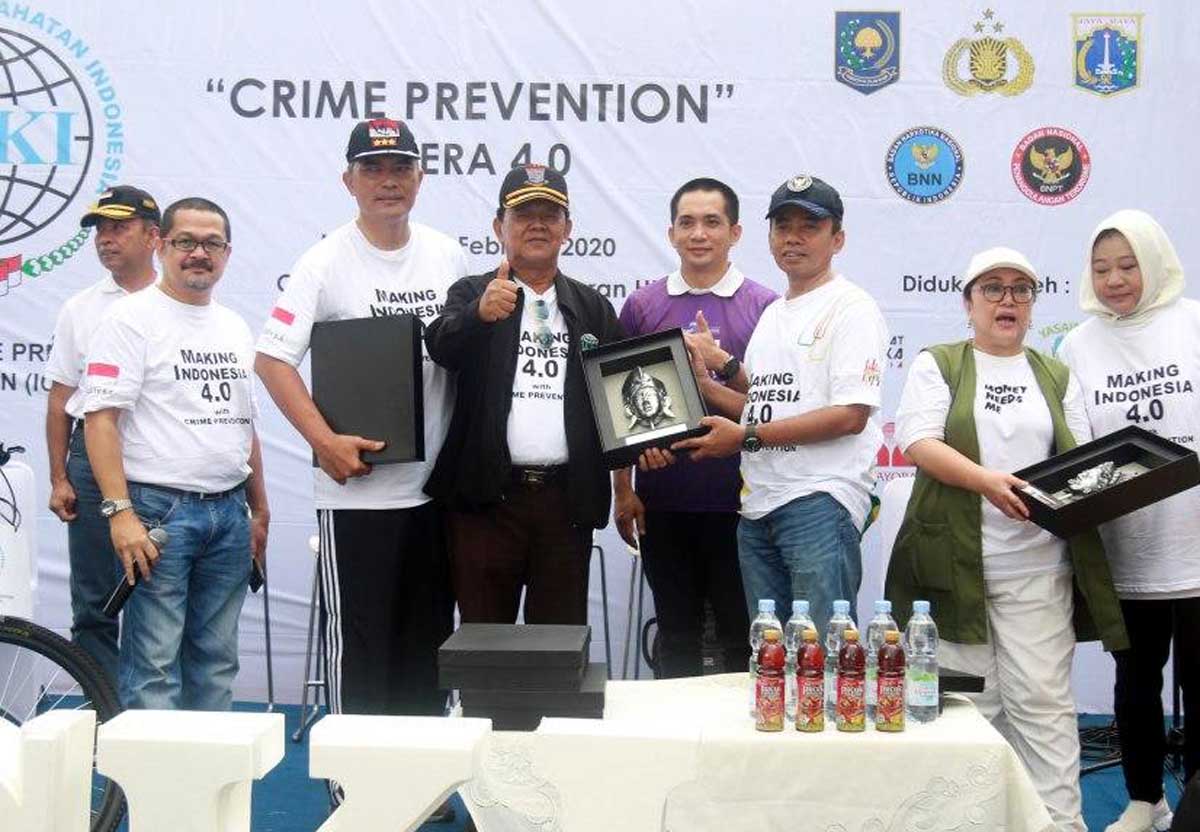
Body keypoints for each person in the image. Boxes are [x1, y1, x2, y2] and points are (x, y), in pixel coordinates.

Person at [885, 246, 1127, 832]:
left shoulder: (1054, 373)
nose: (1007, 299)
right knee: (969, 708)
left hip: (1038, 570)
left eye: (1021, 289)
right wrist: (987, 482)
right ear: (968, 303)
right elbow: (919, 441)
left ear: (1033, 305)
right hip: (951, 574)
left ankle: (1060, 825)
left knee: (1045, 708)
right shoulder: (939, 364)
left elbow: (1079, 459)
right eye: (992, 288)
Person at [255, 119, 466, 732]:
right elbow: (271, 360)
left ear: (420, 179)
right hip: (359, 498)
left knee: (428, 650)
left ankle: (422, 777)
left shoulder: (447, 254)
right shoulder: (323, 262)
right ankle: (353, 780)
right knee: (363, 656)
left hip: (435, 496)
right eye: (372, 169)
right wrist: (324, 442)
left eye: (401, 168)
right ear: (348, 181)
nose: (387, 181)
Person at [671, 175, 886, 639]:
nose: (793, 237)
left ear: (838, 239)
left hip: (818, 502)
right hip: (758, 507)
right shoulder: (774, 313)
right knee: (772, 660)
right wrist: (709, 379)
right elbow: (763, 403)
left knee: (821, 656)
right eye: (783, 226)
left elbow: (851, 415)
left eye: (810, 226)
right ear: (768, 237)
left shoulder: (852, 307)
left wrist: (745, 438)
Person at [82, 197, 269, 711]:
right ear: (161, 245)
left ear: (227, 253)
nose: (198, 253)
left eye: (212, 243)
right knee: (154, 665)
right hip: (158, 515)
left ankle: (209, 766)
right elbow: (100, 420)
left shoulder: (233, 325)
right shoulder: (129, 319)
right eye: (186, 241)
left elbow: (244, 424)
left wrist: (259, 509)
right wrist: (120, 513)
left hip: (229, 513)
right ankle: (151, 770)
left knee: (217, 661)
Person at [425, 163, 622, 626]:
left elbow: (619, 397)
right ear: (499, 227)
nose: (538, 224)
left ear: (567, 229)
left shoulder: (593, 306)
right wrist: (477, 315)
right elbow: (440, 346)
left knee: (557, 645)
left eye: (550, 215)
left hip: (565, 503)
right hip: (486, 502)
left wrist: (649, 447)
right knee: (483, 642)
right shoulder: (473, 291)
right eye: (523, 214)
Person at [1057, 210, 1199, 832]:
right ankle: (1146, 800)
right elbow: (1077, 442)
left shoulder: (1194, 323)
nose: (1114, 280)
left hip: (1195, 543)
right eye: (1101, 268)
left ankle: (1195, 806)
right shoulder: (1077, 345)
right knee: (1134, 682)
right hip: (1127, 547)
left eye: (1127, 265)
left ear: (1155, 261)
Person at [613, 177, 775, 678]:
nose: (699, 233)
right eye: (687, 223)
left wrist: (718, 365)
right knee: (677, 637)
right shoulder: (643, 305)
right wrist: (623, 488)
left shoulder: (765, 306)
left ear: (735, 232)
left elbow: (777, 408)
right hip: (663, 499)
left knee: (741, 638)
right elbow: (616, 407)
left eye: (712, 222)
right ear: (671, 233)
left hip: (744, 504)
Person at [44, 185, 161, 685]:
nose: (106, 239)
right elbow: (60, 399)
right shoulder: (81, 308)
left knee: (160, 598)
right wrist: (59, 478)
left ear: (153, 236)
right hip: (91, 466)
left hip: (162, 462)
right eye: (100, 231)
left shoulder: (179, 301)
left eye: (119, 228)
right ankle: (104, 710)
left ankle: (153, 712)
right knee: (94, 601)